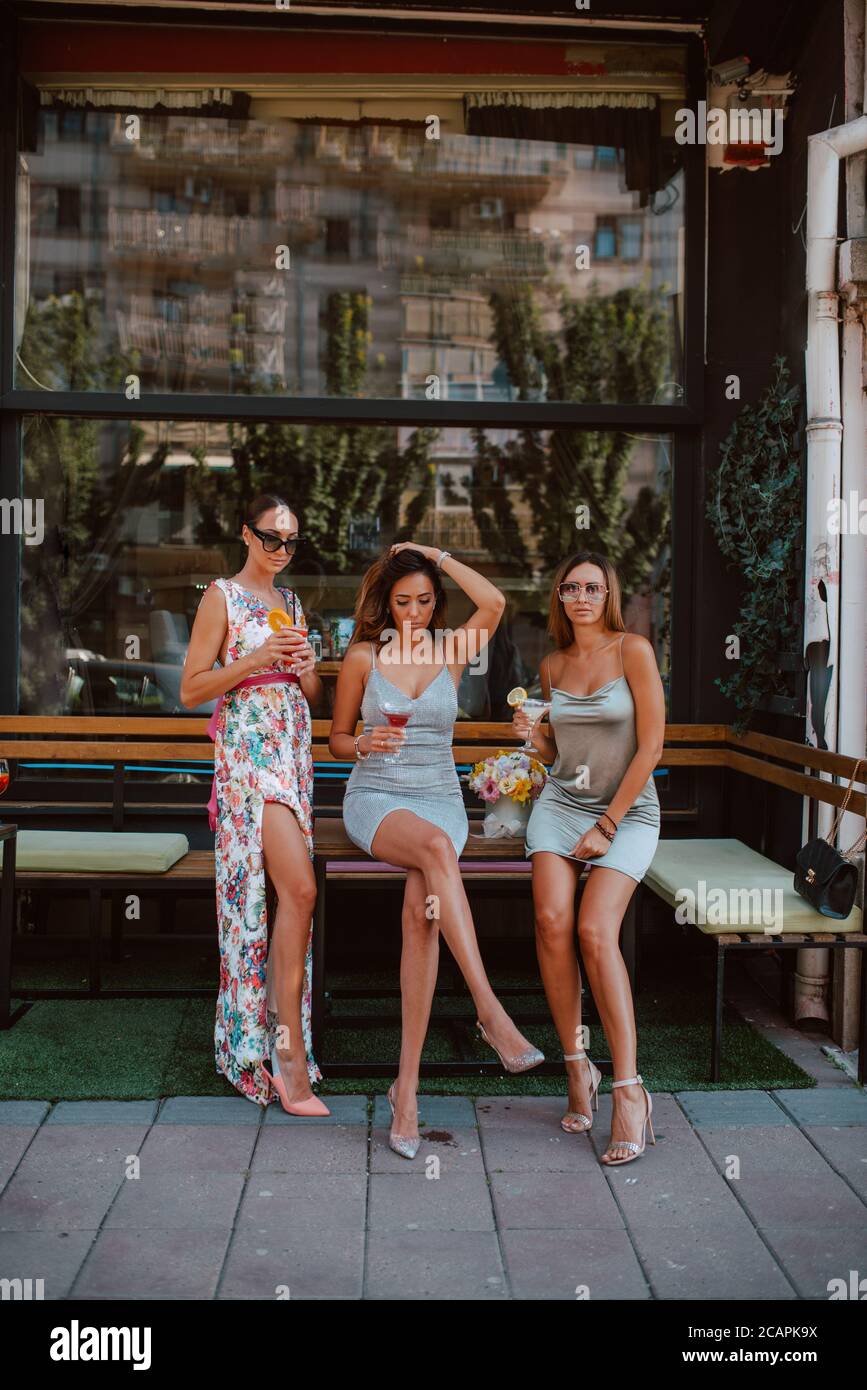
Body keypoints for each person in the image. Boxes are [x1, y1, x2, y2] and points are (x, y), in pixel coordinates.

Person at [329, 542, 545, 1158]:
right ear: (384, 604)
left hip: (441, 797)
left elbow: (496, 601)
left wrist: (435, 553)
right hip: (376, 798)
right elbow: (337, 740)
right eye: (403, 602)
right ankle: (489, 1010)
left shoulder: (451, 649)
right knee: (433, 851)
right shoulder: (363, 657)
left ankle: (408, 1090)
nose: (416, 612)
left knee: (421, 916)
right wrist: (362, 742)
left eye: (425, 600)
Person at [180, 494, 329, 1116]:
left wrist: (308, 664)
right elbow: (191, 690)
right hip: (248, 762)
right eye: (272, 538)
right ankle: (281, 1052)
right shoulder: (221, 595)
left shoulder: (290, 603)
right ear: (246, 533)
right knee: (296, 891)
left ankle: (276, 1034)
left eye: (292, 541)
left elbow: (310, 695)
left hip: (293, 756)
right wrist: (253, 660)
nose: (282, 551)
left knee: (288, 895)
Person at [515, 552, 665, 1166]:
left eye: (593, 587)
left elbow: (652, 744)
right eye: (571, 586)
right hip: (561, 804)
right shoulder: (551, 664)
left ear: (609, 595)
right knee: (552, 923)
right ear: (559, 596)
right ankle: (578, 1067)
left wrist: (607, 824)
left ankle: (629, 1089)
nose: (581, 596)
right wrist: (534, 733)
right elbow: (558, 751)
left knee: (594, 930)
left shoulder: (633, 652)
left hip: (627, 813)